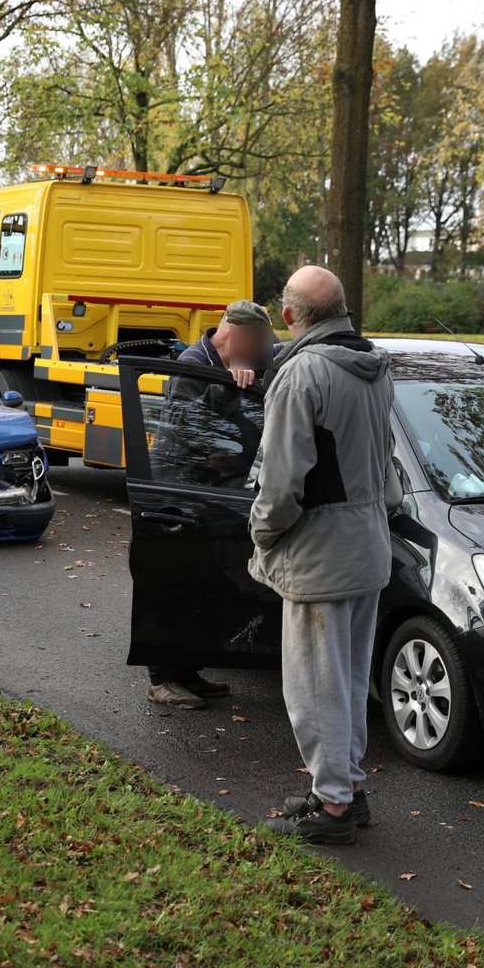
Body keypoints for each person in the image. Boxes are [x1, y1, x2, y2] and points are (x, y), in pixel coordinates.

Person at [250, 265, 394, 845]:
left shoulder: (302, 374)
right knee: (350, 679)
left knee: (315, 686)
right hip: (367, 544)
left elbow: (282, 485)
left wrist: (261, 533)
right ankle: (346, 789)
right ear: (342, 310)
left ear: (289, 316)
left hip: (318, 554)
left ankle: (332, 807)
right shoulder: (375, 368)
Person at [146, 300, 278, 711]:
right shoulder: (190, 364)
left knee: (207, 584)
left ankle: (187, 671)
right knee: (174, 584)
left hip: (217, 495)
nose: (262, 354)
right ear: (234, 335)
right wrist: (223, 388)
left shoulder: (247, 364)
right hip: (176, 495)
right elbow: (188, 425)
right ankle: (161, 679)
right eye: (258, 345)